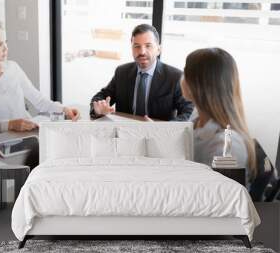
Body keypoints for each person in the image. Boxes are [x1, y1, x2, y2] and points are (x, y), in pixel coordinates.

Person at [0, 20, 79, 137]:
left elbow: (39, 100)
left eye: (5, 42)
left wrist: (64, 109)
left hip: (28, 134)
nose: (6, 48)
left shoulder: (12, 68)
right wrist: (10, 125)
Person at [180, 47, 256, 182]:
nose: (181, 78)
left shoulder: (227, 147)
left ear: (198, 84)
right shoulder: (198, 115)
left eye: (185, 73)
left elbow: (219, 200)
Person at [90, 24, 193, 121]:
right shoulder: (122, 72)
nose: (142, 52)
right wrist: (98, 108)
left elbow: (189, 112)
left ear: (158, 49)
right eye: (137, 46)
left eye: (148, 46)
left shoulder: (175, 77)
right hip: (126, 134)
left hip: (159, 137)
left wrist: (163, 129)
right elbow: (101, 96)